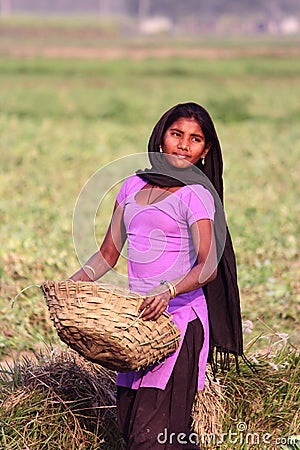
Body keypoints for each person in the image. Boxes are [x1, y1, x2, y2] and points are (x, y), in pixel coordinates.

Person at [70, 102, 243, 449]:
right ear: (161, 137)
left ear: (205, 151)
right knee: (135, 426)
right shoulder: (131, 186)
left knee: (150, 437)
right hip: (139, 327)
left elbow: (207, 266)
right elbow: (107, 254)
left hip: (179, 324)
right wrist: (72, 285)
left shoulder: (196, 195)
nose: (183, 144)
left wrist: (168, 290)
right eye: (176, 134)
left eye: (194, 140)